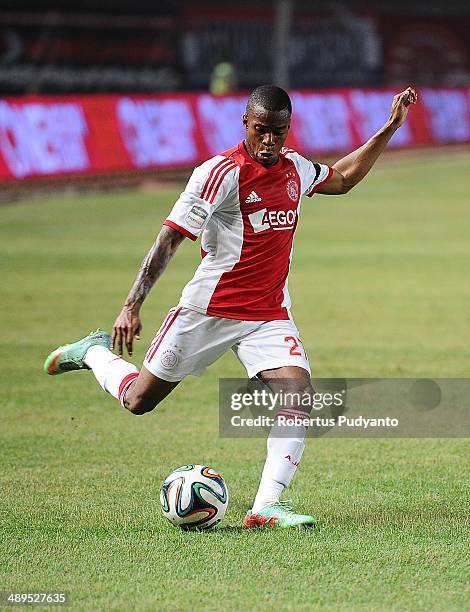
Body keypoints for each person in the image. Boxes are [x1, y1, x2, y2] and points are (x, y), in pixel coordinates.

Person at [44, 84, 417, 528]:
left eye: (278, 132)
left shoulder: (296, 168)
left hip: (269, 313)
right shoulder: (219, 173)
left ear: (287, 130)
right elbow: (171, 238)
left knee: (298, 393)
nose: (269, 141)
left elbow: (343, 177)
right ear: (245, 123)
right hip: (209, 309)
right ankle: (92, 352)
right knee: (139, 400)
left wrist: (389, 128)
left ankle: (265, 508)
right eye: (261, 130)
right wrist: (131, 304)